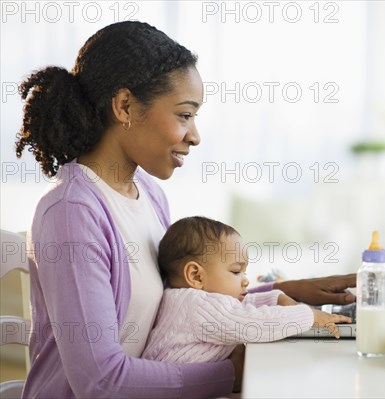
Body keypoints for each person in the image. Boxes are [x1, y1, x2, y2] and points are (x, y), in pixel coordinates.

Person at [15, 21, 356, 398]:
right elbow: (101, 384)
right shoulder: (72, 213)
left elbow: (178, 297)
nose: (195, 135)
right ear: (125, 106)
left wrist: (282, 290)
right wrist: (230, 375)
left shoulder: (148, 193)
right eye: (184, 114)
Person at [142, 216, 351, 366]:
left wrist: (276, 297)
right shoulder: (198, 306)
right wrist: (309, 315)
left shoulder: (189, 299)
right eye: (236, 271)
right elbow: (254, 323)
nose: (245, 281)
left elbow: (241, 308)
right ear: (196, 276)